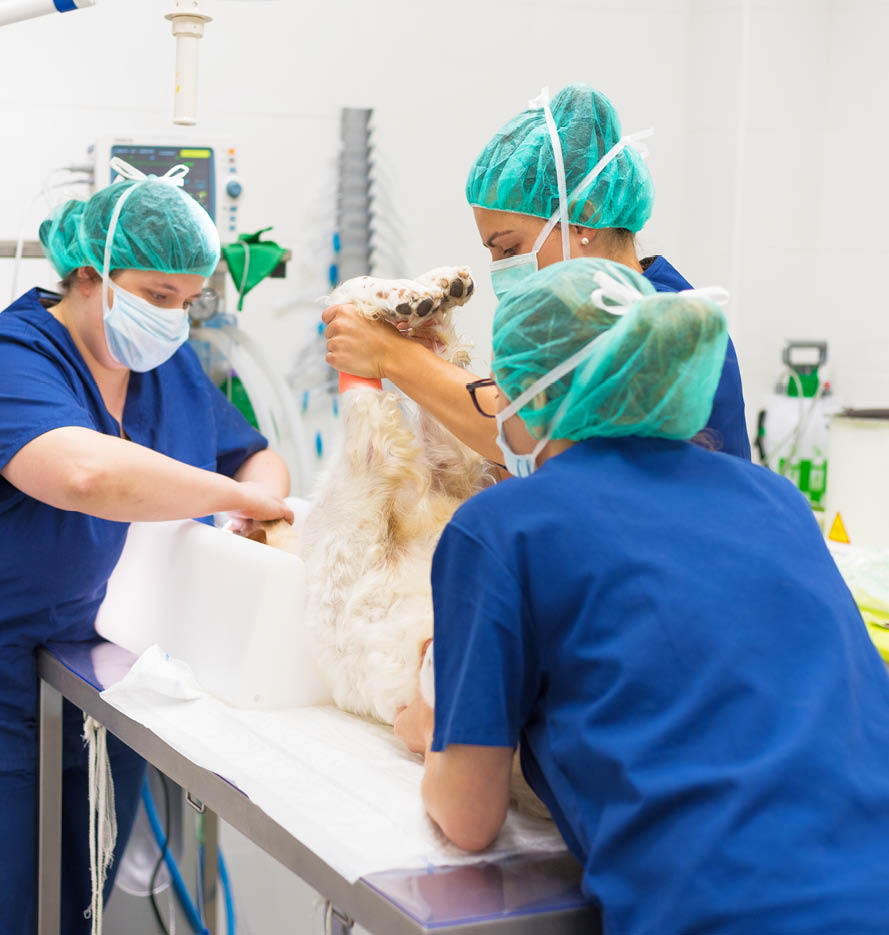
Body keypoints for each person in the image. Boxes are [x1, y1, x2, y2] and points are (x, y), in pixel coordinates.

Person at [394, 258, 889, 935]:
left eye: (497, 395)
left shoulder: (505, 526)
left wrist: (430, 727)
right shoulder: (775, 498)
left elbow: (467, 817)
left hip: (728, 911)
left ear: (533, 394)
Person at [0, 161, 293, 933]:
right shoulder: (16, 356)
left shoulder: (168, 367)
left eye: (187, 302)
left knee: (79, 905)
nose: (172, 319)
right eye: (157, 296)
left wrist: (252, 513)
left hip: (116, 684)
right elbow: (86, 472)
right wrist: (235, 498)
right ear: (88, 275)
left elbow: (254, 456)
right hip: (10, 686)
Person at [323, 83, 750, 462]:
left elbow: (530, 435)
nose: (502, 271)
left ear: (584, 216)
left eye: (510, 248)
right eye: (494, 253)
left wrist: (392, 356)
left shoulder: (660, 325)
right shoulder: (579, 319)